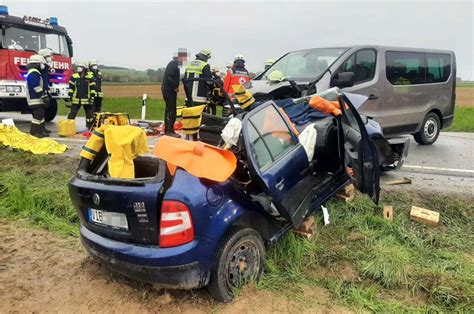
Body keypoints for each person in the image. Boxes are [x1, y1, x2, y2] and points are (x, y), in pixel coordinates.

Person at [162, 52, 187, 137]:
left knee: (169, 110)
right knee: (171, 111)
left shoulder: (173, 63)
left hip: (168, 89)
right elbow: (169, 77)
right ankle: (169, 131)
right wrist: (174, 87)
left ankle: (168, 130)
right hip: (169, 90)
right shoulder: (174, 64)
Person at [67, 61, 97, 129]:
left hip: (87, 100)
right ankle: (69, 128)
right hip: (76, 100)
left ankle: (89, 127)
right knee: (72, 114)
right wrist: (70, 95)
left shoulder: (90, 77)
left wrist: (92, 97)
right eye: (78, 67)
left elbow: (93, 88)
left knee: (89, 115)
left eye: (80, 67)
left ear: (84, 68)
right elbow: (71, 87)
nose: (79, 68)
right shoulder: (74, 76)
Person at [26, 54, 49, 137]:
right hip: (34, 98)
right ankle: (34, 132)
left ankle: (41, 131)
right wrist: (43, 95)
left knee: (41, 114)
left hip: (37, 98)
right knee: (38, 115)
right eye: (41, 64)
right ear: (37, 64)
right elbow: (35, 85)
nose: (43, 66)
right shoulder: (34, 72)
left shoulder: (36, 72)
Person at [37, 48, 53, 134]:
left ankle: (42, 128)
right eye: (48, 56)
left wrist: (48, 89)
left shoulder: (46, 67)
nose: (50, 58)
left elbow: (46, 79)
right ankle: (39, 130)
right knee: (39, 112)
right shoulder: (41, 67)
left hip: (45, 89)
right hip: (40, 91)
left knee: (43, 111)